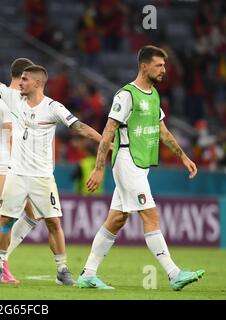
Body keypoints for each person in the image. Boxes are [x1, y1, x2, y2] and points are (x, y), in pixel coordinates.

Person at [0, 41, 103, 285]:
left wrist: (105, 139)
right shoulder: (14, 100)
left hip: (43, 176)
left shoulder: (53, 107)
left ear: (37, 82)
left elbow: (79, 127)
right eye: (20, 79)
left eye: (24, 79)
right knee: (5, 219)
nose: (19, 82)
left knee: (53, 222)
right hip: (16, 174)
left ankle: (62, 269)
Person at [77, 45, 205, 291]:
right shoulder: (126, 95)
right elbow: (108, 132)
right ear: (144, 66)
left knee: (117, 219)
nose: (164, 70)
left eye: (164, 66)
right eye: (159, 65)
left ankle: (88, 274)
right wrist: (98, 168)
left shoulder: (154, 95)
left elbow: (163, 131)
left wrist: (183, 157)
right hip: (127, 161)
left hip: (140, 164)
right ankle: (174, 273)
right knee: (151, 215)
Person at [0, 57, 39, 284]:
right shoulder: (10, 101)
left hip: (8, 165)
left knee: (31, 215)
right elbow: (11, 138)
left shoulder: (7, 98)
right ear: (23, 76)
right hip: (8, 165)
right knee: (3, 219)